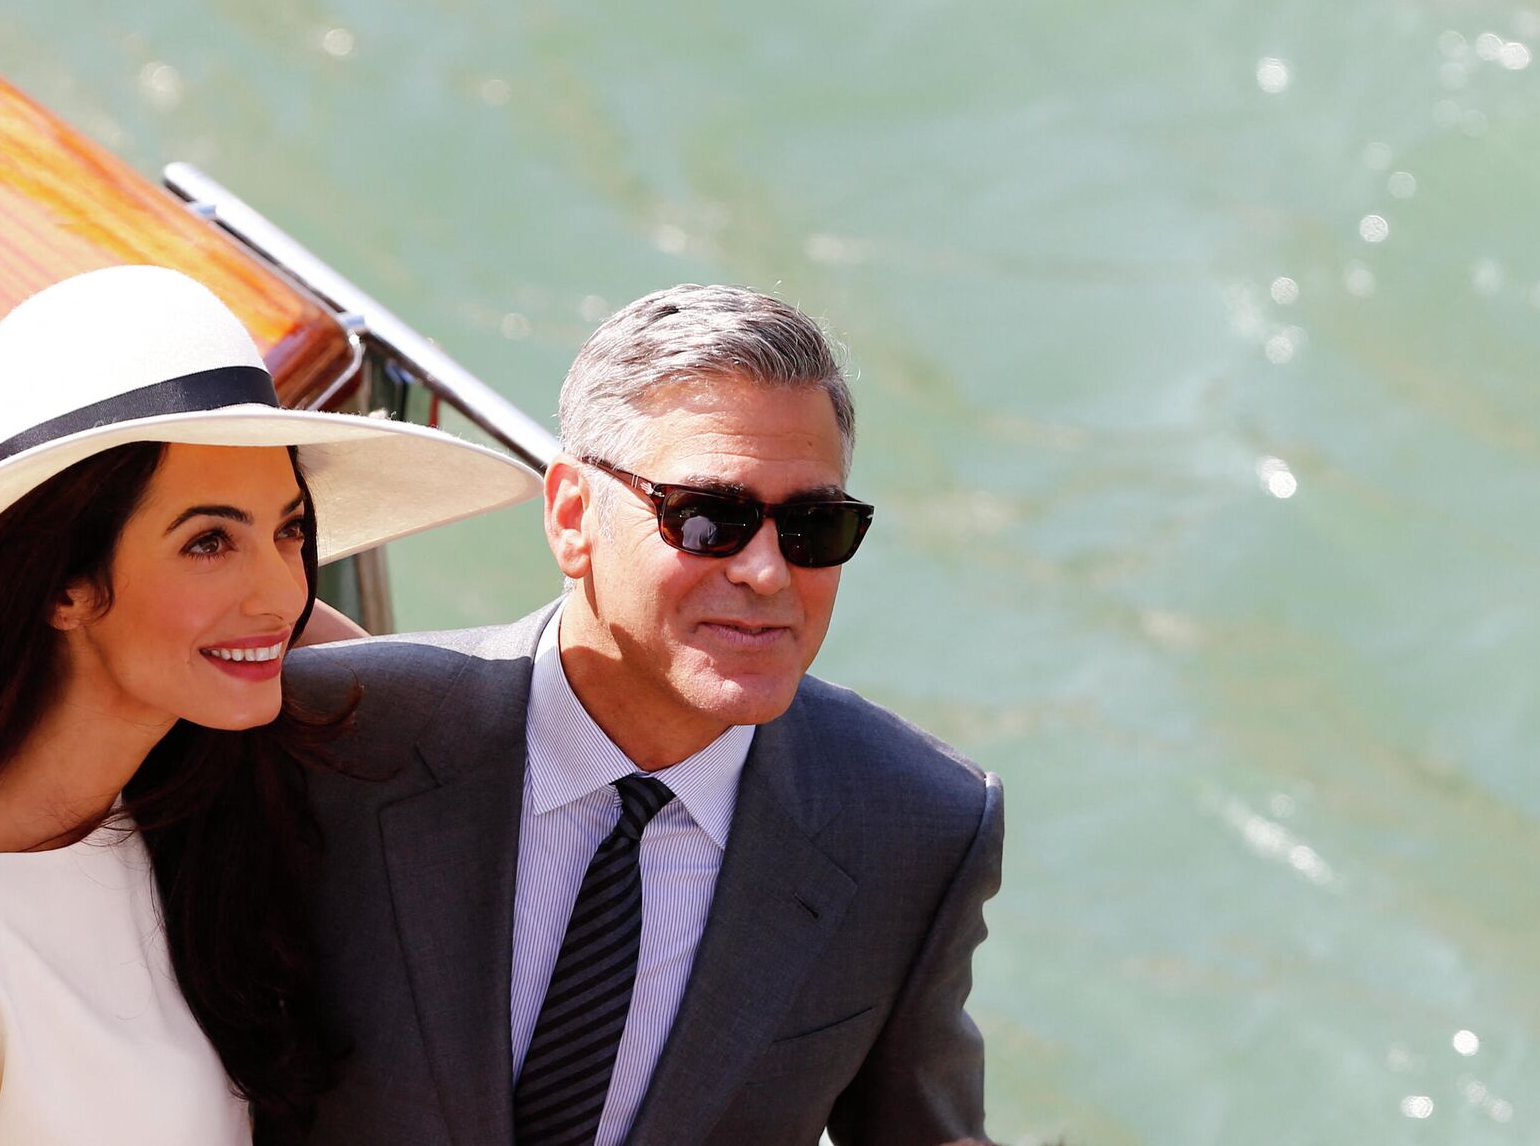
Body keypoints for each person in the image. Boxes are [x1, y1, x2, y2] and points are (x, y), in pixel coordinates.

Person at [0, 266, 539, 1143]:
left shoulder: (160, 825)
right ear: (60, 584)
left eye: (290, 529)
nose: (280, 592)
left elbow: (395, 690)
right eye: (209, 541)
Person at [286, 284, 1005, 1146]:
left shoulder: (916, 828)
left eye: (815, 525)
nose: (769, 573)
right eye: (710, 518)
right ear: (572, 516)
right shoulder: (327, 741)